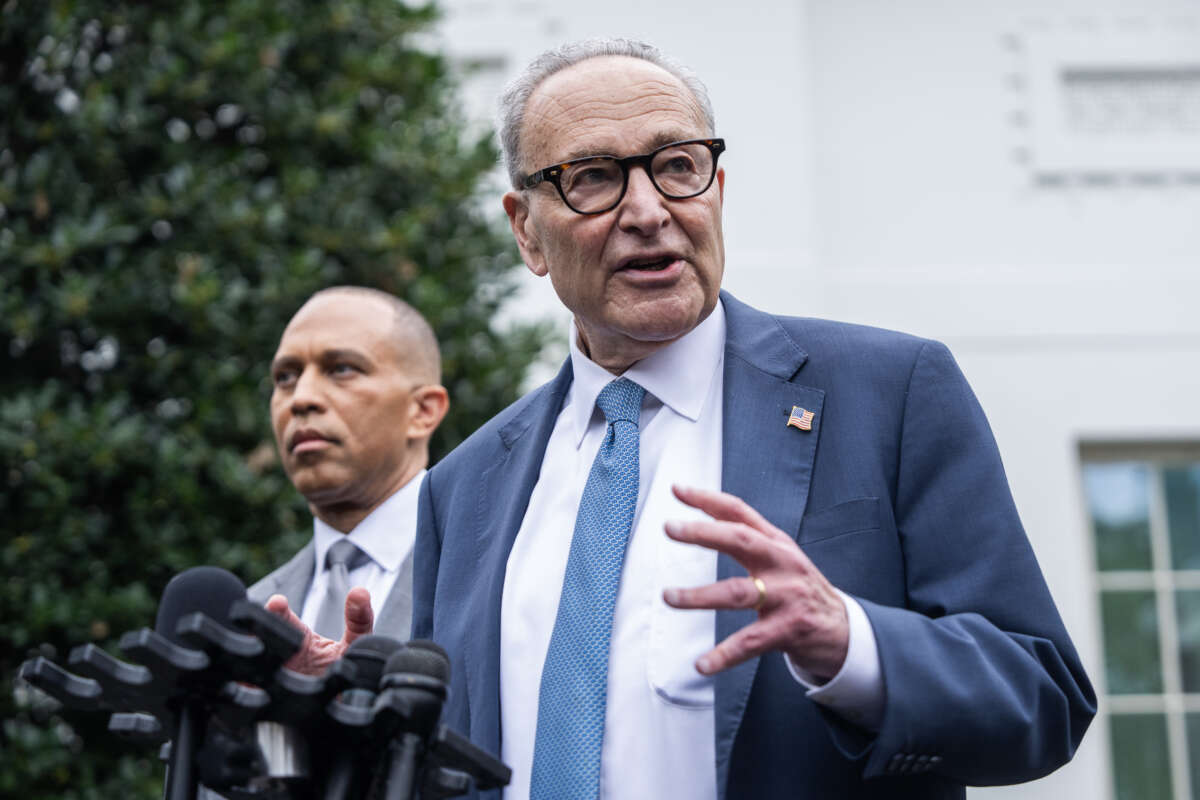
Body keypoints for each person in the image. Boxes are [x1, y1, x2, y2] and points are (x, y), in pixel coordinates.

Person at [410, 39, 1095, 800]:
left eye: (678, 165)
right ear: (526, 231)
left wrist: (852, 644)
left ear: (717, 190)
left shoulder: (891, 393)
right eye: (593, 177)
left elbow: (1040, 698)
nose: (649, 211)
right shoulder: (461, 488)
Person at [248, 286, 448, 673]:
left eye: (341, 369)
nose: (301, 398)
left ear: (422, 411)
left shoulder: (499, 578)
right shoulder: (250, 613)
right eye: (285, 377)